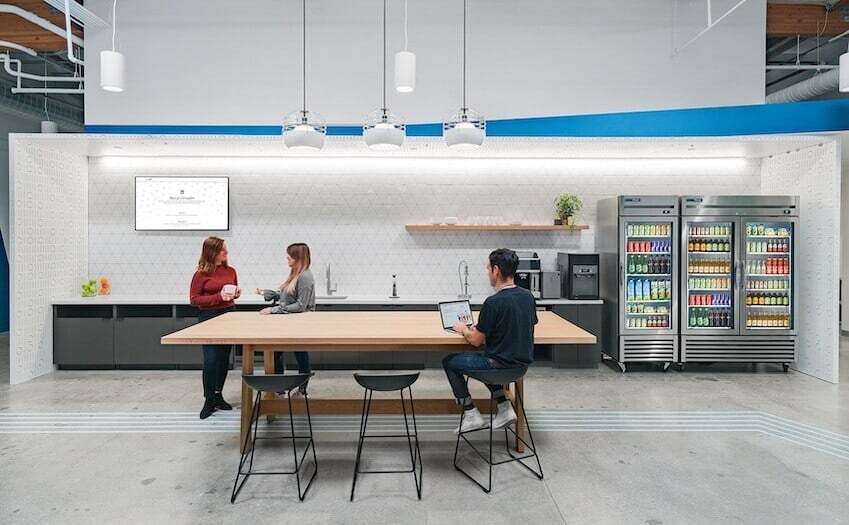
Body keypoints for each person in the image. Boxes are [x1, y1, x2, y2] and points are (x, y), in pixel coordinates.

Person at [442, 248, 538, 434]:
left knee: (449, 362)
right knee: (487, 357)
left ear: (496, 270)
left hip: (497, 368)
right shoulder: (528, 297)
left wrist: (462, 329)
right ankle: (504, 408)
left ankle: (471, 414)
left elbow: (476, 341)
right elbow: (524, 323)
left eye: (488, 268)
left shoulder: (493, 302)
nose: (487, 272)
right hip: (520, 368)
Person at [190, 236, 241, 420]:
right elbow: (194, 300)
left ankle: (218, 395)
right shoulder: (201, 274)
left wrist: (236, 293)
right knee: (210, 360)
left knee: (222, 359)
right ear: (212, 253)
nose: (226, 253)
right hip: (209, 318)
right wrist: (219, 297)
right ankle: (208, 399)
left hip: (228, 316)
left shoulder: (231, 271)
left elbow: (232, 293)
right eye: (222, 250)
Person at [256, 243, 315, 393]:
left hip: (297, 323)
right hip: (288, 322)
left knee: (297, 352)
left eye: (290, 255)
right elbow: (289, 295)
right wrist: (272, 294)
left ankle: (300, 384)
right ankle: (280, 385)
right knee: (279, 351)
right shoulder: (295, 273)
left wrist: (273, 309)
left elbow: (301, 305)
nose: (287, 257)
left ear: (298, 257)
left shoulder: (305, 276)